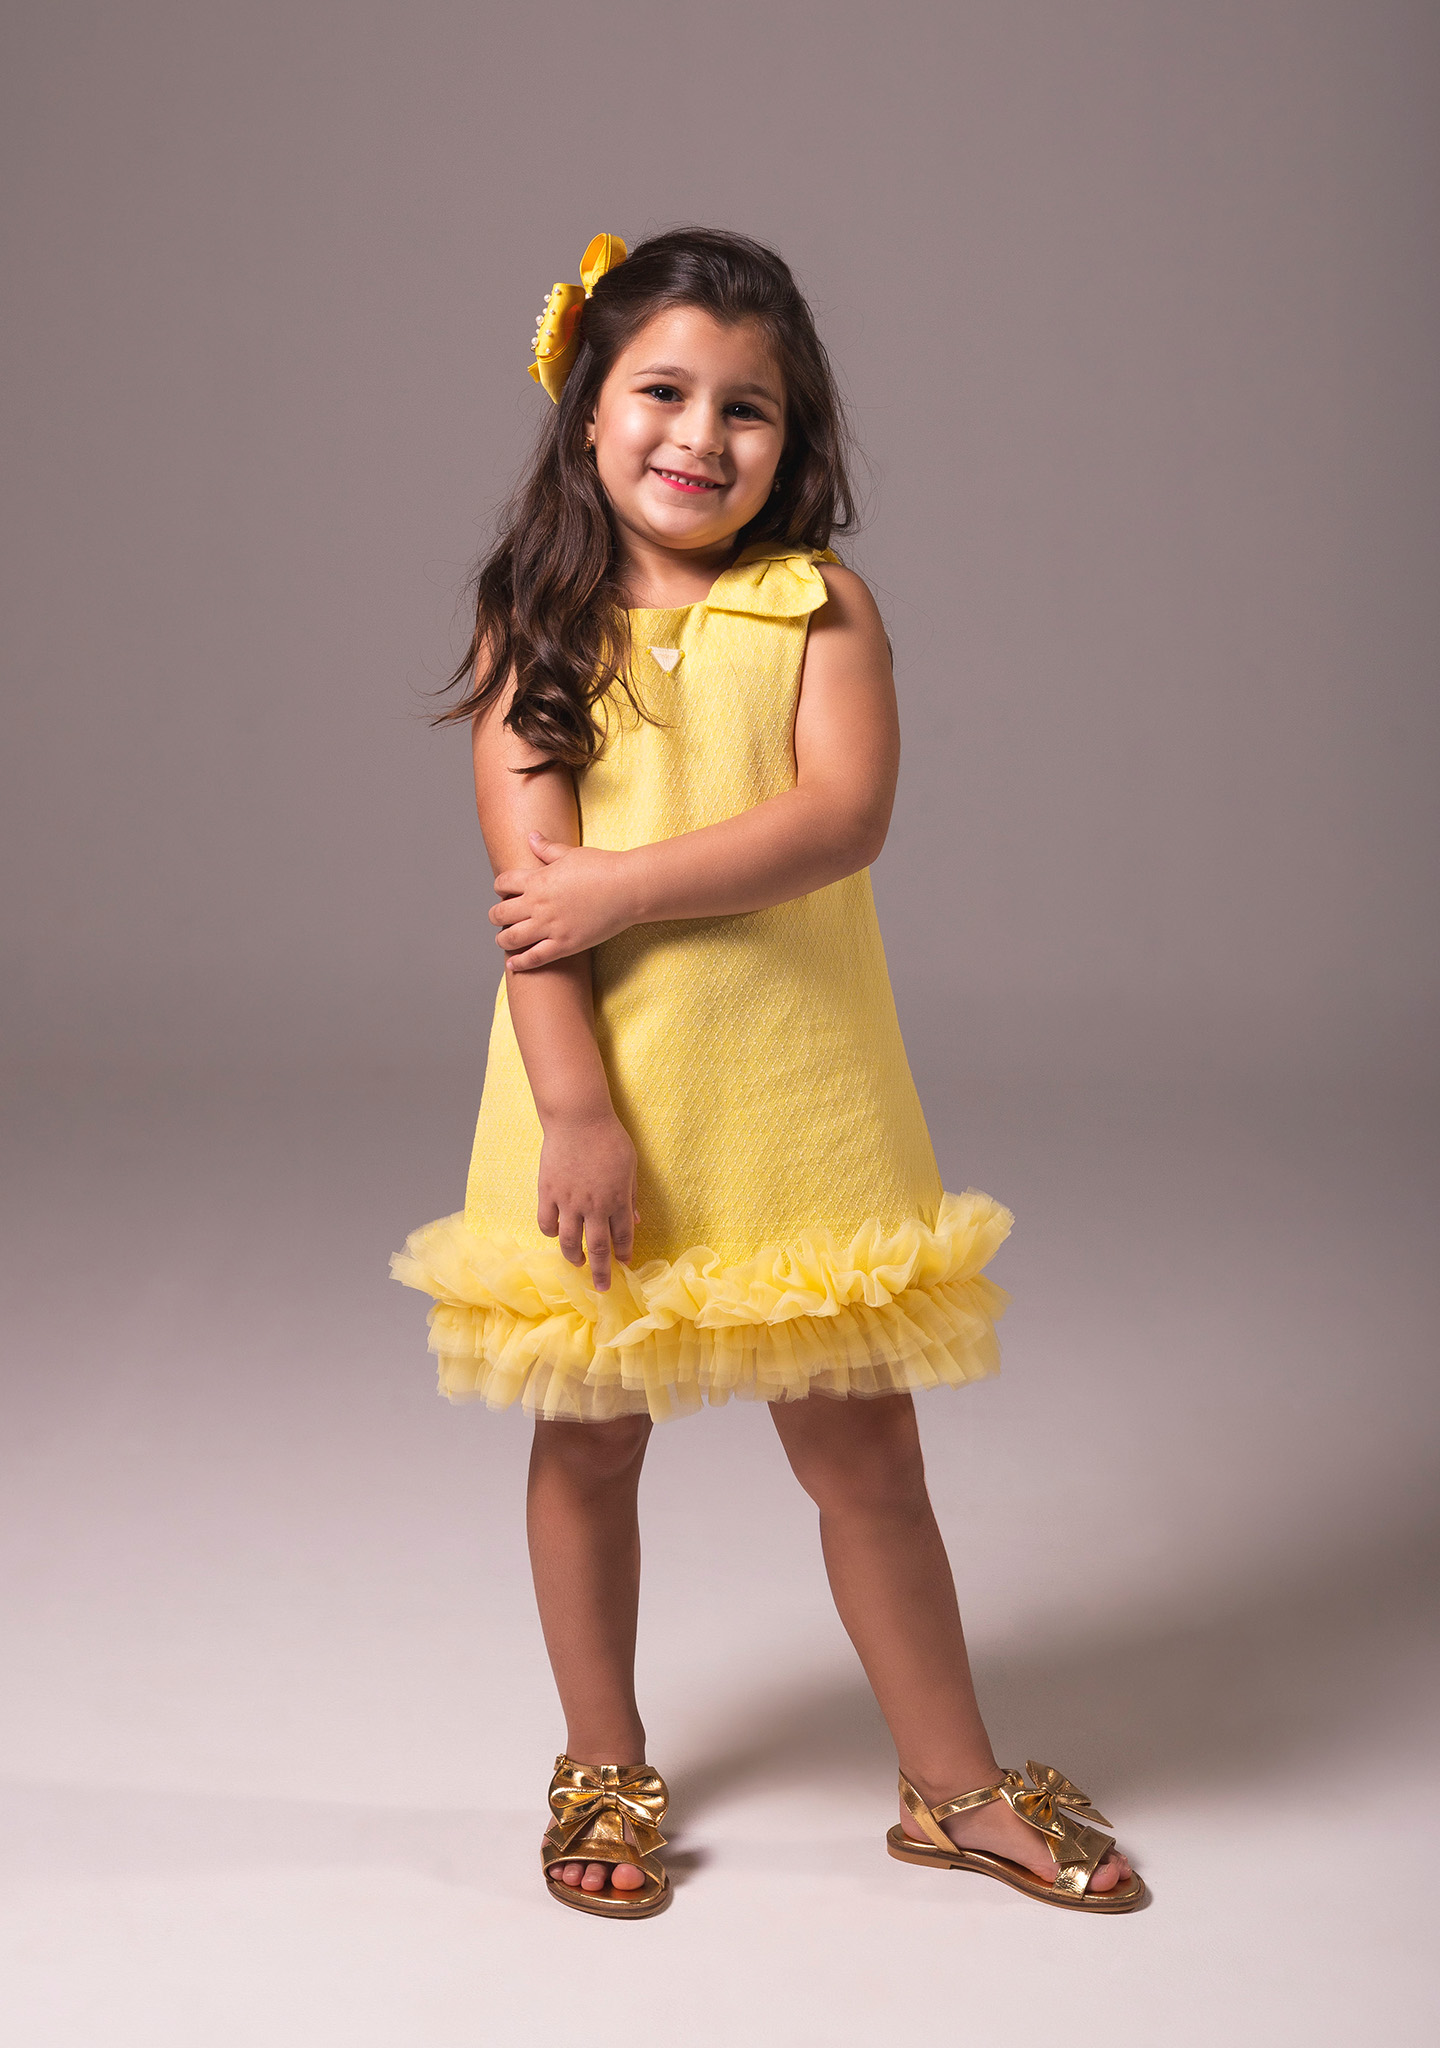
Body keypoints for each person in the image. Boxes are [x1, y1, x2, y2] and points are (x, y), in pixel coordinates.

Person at [392, 228, 1143, 1917]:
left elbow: (838, 819)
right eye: (663, 392)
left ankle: (952, 1786)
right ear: (588, 408)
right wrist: (577, 1113)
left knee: (868, 1458)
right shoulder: (538, 626)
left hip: (799, 1100)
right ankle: (602, 1763)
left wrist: (623, 883)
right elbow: (535, 913)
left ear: (792, 441)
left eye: (749, 408)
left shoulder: (819, 607)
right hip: (601, 1101)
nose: (700, 436)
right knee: (592, 1437)